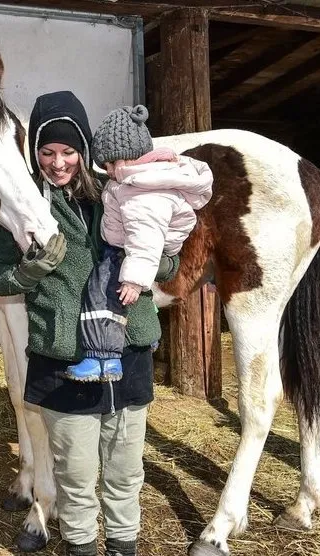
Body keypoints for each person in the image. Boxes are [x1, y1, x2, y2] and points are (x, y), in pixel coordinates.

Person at [0, 91, 179, 556]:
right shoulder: (21, 205)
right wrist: (30, 271)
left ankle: (123, 546)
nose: (58, 162)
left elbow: (169, 265)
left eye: (68, 151)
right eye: (47, 152)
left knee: (126, 468)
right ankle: (82, 546)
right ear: (36, 154)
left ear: (84, 150)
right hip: (64, 356)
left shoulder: (121, 193)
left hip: (127, 349)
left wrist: (157, 260)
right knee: (75, 471)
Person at [66, 105, 213, 382]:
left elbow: (145, 237)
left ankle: (104, 358)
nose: (108, 172)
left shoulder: (142, 191)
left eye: (110, 164)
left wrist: (134, 279)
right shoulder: (141, 180)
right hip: (132, 247)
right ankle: (143, 339)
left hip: (133, 251)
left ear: (128, 157)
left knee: (104, 294)